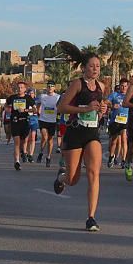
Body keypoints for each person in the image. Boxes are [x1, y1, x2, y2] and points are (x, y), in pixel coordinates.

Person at [53, 41, 109, 232]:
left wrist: (103, 109)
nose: (95, 69)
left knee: (94, 173)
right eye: (92, 66)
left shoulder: (102, 86)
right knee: (73, 179)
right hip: (75, 131)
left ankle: (91, 217)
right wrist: (84, 108)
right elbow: (61, 107)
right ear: (84, 68)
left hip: (92, 133)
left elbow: (100, 109)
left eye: (98, 66)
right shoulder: (77, 84)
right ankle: (61, 178)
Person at [6, 81, 35, 170]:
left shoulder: (28, 98)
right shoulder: (12, 97)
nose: (19, 89)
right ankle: (17, 161)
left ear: (25, 89)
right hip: (15, 122)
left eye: (21, 87)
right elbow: (6, 106)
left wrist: (25, 110)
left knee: (24, 142)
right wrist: (8, 110)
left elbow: (35, 110)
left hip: (25, 122)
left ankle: (23, 152)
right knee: (17, 143)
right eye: (18, 87)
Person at [107, 79, 129, 168]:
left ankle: (123, 160)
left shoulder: (129, 96)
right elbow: (107, 102)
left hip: (125, 120)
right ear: (119, 86)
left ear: (128, 87)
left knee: (124, 139)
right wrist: (112, 106)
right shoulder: (114, 95)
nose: (123, 88)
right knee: (114, 141)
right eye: (122, 86)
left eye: (125, 86)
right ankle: (111, 156)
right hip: (115, 120)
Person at [37, 83, 60, 167]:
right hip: (43, 120)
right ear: (46, 88)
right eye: (48, 86)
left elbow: (60, 106)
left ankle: (48, 157)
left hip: (52, 121)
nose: (50, 88)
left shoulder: (58, 97)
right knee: (45, 137)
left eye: (52, 86)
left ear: (54, 88)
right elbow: (38, 105)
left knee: (50, 140)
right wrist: (38, 111)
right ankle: (41, 152)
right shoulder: (42, 96)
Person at [24, 85, 39, 163]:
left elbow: (38, 110)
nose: (31, 95)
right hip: (26, 120)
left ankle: (31, 155)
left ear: (34, 94)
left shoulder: (36, 101)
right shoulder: (25, 101)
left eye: (32, 93)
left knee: (33, 137)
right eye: (29, 93)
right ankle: (25, 152)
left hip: (34, 120)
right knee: (27, 138)